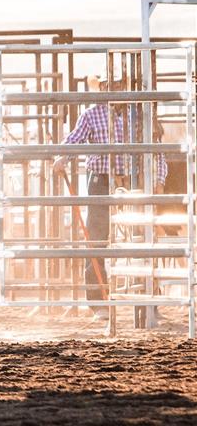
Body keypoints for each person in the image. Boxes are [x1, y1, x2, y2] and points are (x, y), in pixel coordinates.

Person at [52, 73, 167, 318]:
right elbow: (73, 140)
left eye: (119, 85)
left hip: (132, 180)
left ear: (125, 86)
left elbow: (156, 148)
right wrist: (62, 156)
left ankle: (148, 301)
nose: (115, 89)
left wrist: (159, 178)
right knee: (96, 239)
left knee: (142, 238)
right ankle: (99, 302)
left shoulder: (139, 115)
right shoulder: (92, 114)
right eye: (110, 85)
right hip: (101, 181)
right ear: (103, 87)